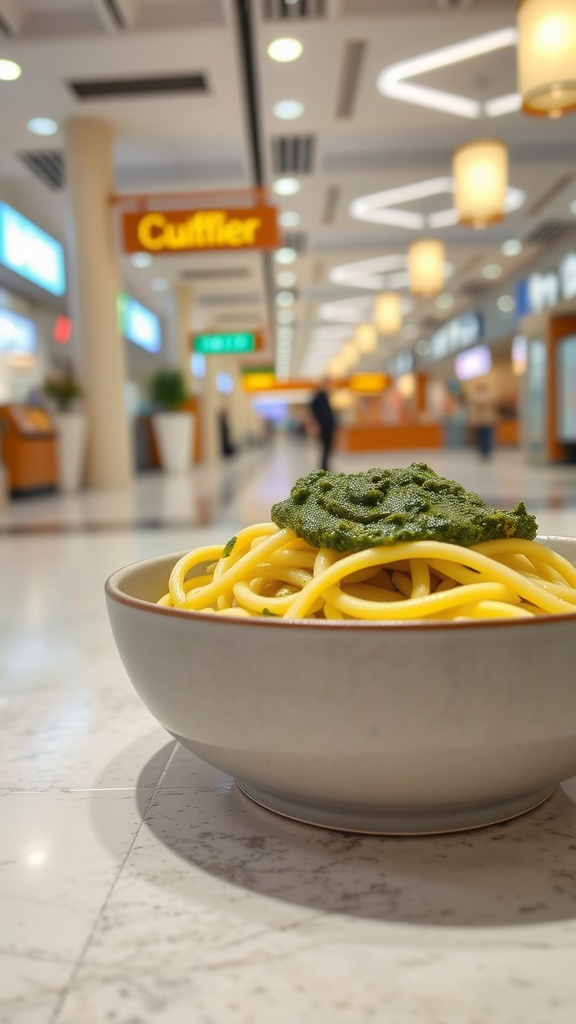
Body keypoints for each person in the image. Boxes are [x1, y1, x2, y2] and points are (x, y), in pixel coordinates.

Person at [309, 380, 336, 472]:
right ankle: (324, 467)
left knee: (327, 448)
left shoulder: (324, 396)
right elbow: (312, 412)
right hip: (324, 427)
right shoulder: (319, 397)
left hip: (328, 426)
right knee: (325, 448)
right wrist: (315, 424)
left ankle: (325, 466)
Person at [467, 381, 497, 459]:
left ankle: (487, 451)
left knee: (487, 436)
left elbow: (491, 403)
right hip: (479, 420)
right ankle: (482, 452)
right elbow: (472, 408)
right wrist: (472, 419)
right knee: (480, 437)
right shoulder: (475, 395)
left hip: (487, 419)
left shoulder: (489, 394)